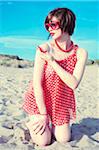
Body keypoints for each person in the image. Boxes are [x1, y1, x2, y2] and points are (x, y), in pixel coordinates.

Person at [23, 7, 88, 146]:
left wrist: (52, 61)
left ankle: (53, 125)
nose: (49, 29)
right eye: (47, 25)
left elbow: (73, 83)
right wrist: (43, 115)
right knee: (44, 141)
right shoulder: (44, 48)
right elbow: (37, 84)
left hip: (61, 103)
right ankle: (32, 122)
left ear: (66, 24)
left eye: (53, 24)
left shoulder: (80, 53)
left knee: (63, 139)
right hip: (40, 101)